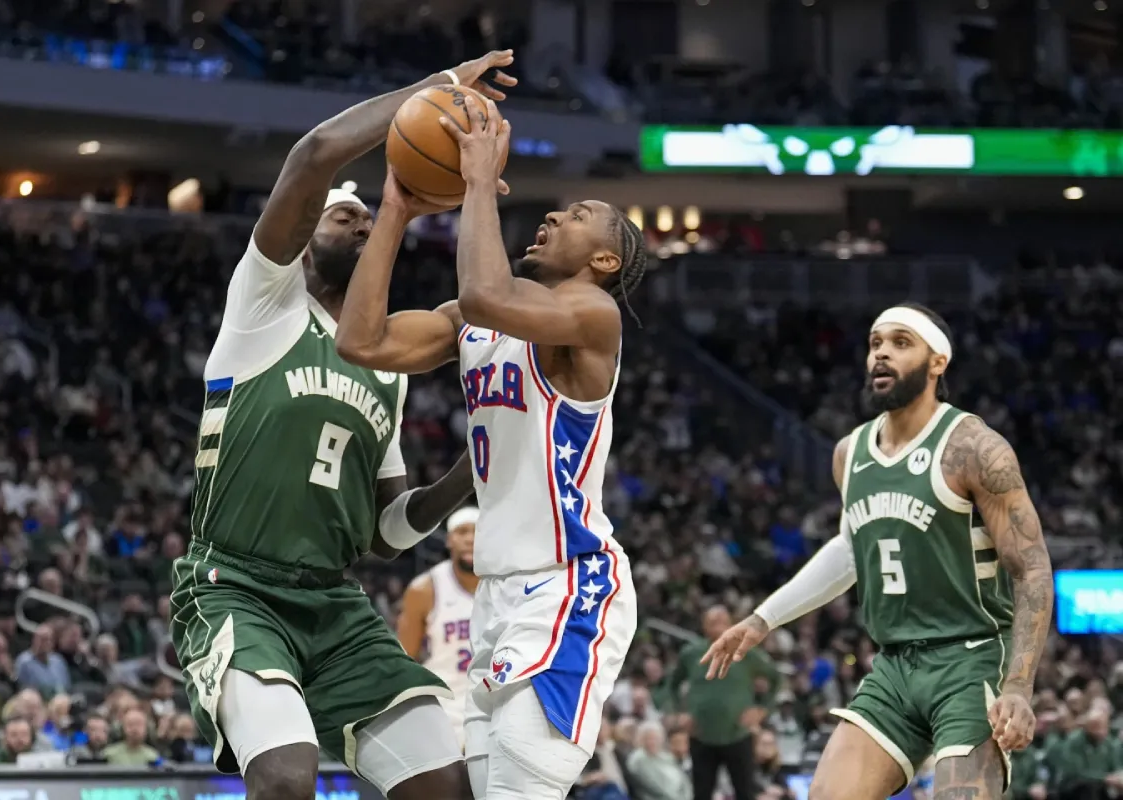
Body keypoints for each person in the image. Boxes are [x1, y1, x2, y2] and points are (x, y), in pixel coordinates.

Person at [168, 50, 518, 800]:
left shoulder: (386, 359)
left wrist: (465, 473)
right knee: (288, 779)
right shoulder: (264, 302)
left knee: (443, 785)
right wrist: (438, 88)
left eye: (370, 218)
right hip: (236, 585)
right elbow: (315, 153)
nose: (361, 225)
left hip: (333, 599)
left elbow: (387, 531)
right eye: (344, 215)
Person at [335, 100, 646, 800]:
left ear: (604, 258)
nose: (554, 217)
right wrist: (395, 211)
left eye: (577, 216)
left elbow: (481, 290)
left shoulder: (590, 316)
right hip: (497, 598)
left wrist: (476, 182)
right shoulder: (475, 324)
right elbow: (361, 341)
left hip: (570, 588)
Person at [701, 303, 1054, 800]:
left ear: (938, 362)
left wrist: (1018, 685)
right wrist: (763, 619)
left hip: (971, 660)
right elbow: (850, 549)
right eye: (875, 343)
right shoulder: (851, 452)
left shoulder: (974, 448)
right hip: (893, 666)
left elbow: (1032, 569)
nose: (882, 354)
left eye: (901, 343)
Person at [668, 605, 780, 800]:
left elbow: (776, 679)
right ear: (704, 626)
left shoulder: (747, 652)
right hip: (701, 734)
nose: (718, 627)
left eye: (723, 622)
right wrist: (680, 712)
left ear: (731, 625)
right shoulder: (691, 653)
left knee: (745, 792)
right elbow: (672, 685)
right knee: (701, 794)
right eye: (713, 623)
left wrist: (762, 710)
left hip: (738, 734)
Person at [398, 506, 479, 747]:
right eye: (462, 532)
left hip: (495, 703)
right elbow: (405, 658)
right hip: (447, 705)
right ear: (449, 541)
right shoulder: (425, 589)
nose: (470, 539)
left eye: (477, 532)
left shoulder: (507, 584)